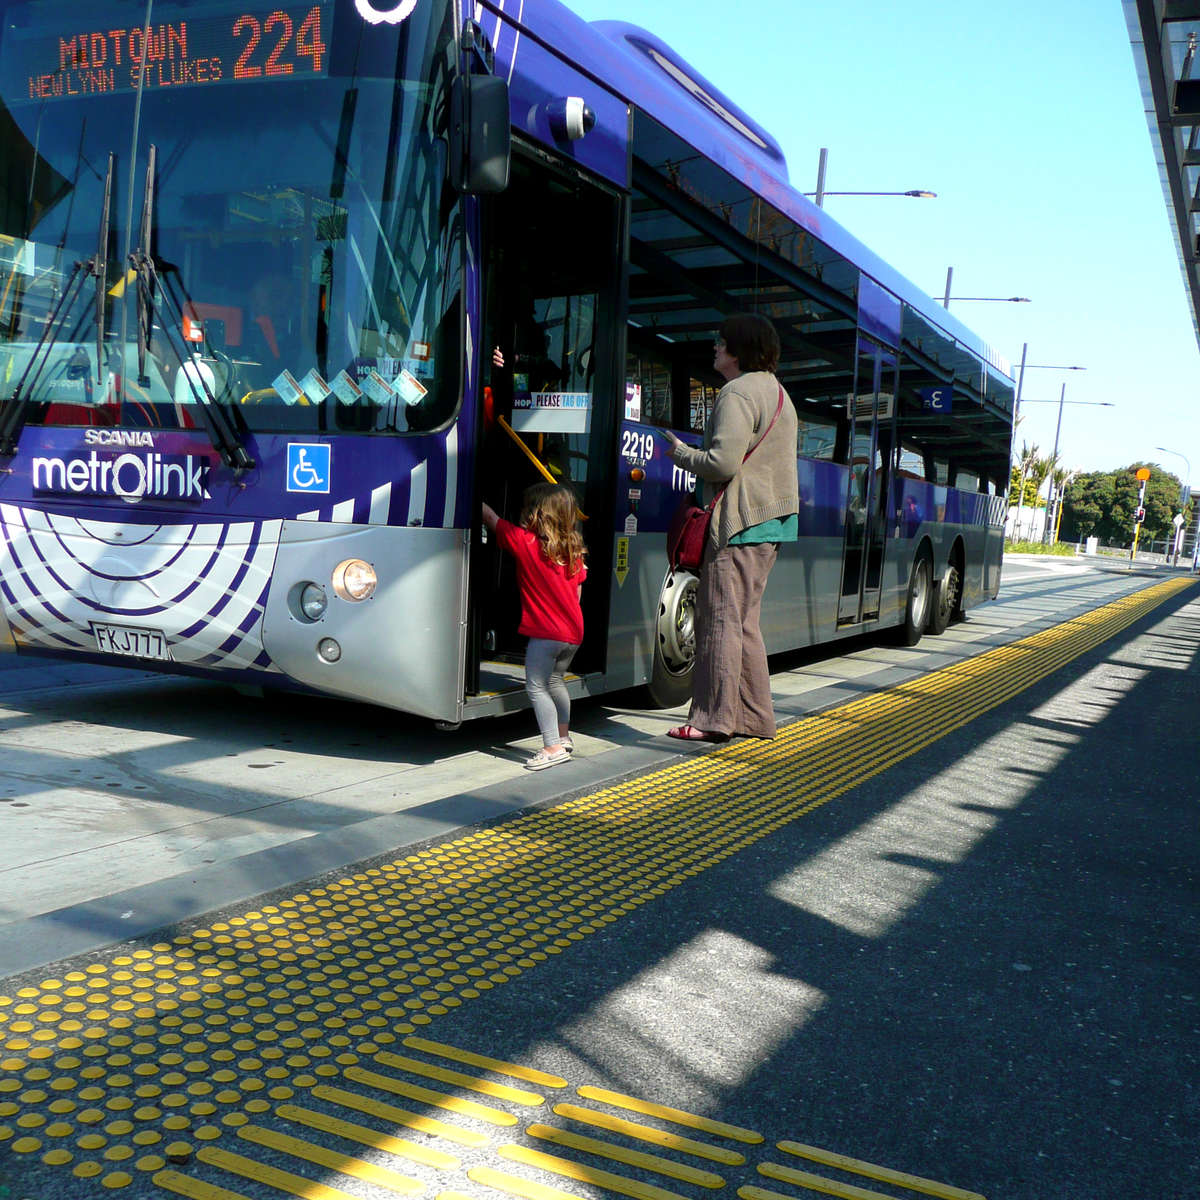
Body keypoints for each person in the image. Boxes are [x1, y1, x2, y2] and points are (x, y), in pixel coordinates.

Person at [659, 313, 799, 742]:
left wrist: (681, 454)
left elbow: (723, 463)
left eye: (721, 343)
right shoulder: (778, 393)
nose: (716, 348)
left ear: (739, 350)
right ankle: (755, 719)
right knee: (744, 625)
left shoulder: (736, 393)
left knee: (718, 621)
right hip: (770, 524)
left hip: (737, 525)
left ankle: (711, 720)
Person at [481, 483, 588, 770]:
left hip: (545, 635)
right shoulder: (574, 551)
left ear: (536, 514)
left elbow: (491, 520)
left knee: (536, 686)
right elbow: (577, 595)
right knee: (555, 682)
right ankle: (564, 737)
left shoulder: (524, 542)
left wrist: (470, 493)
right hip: (573, 633)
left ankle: (552, 747)